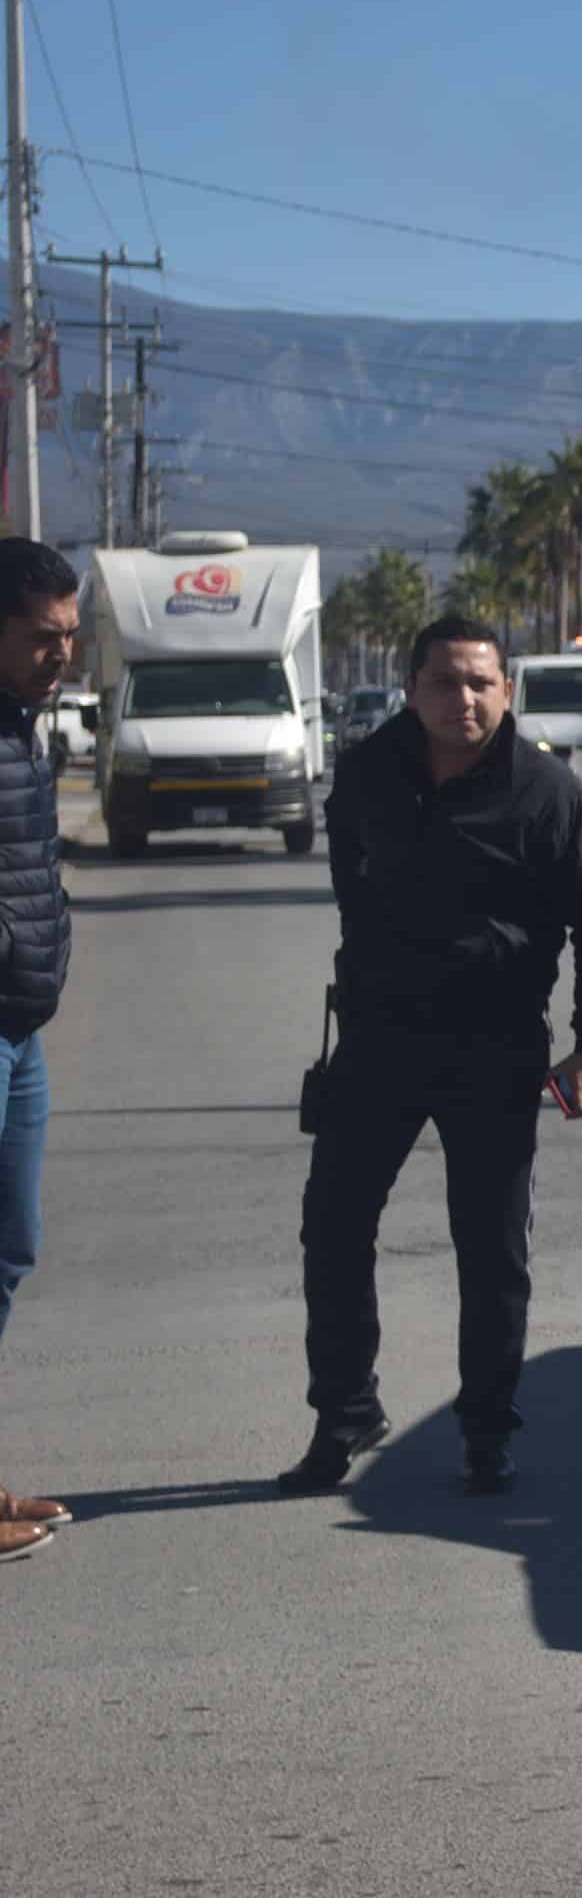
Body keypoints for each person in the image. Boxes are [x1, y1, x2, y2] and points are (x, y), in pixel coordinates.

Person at [280, 615, 582, 1499]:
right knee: (332, 1227)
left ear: (506, 690)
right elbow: (350, 885)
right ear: (412, 689)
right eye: (444, 682)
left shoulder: (549, 792)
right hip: (380, 1040)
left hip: (495, 1045)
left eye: (480, 683)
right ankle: (345, 1411)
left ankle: (486, 1431)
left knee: (491, 1247)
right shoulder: (365, 774)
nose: (463, 699)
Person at [0, 540, 78, 1561]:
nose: (59, 656)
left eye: (69, 636)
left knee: (8, 1251)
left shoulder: (23, 729)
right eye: (38, 638)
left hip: (21, 1030)